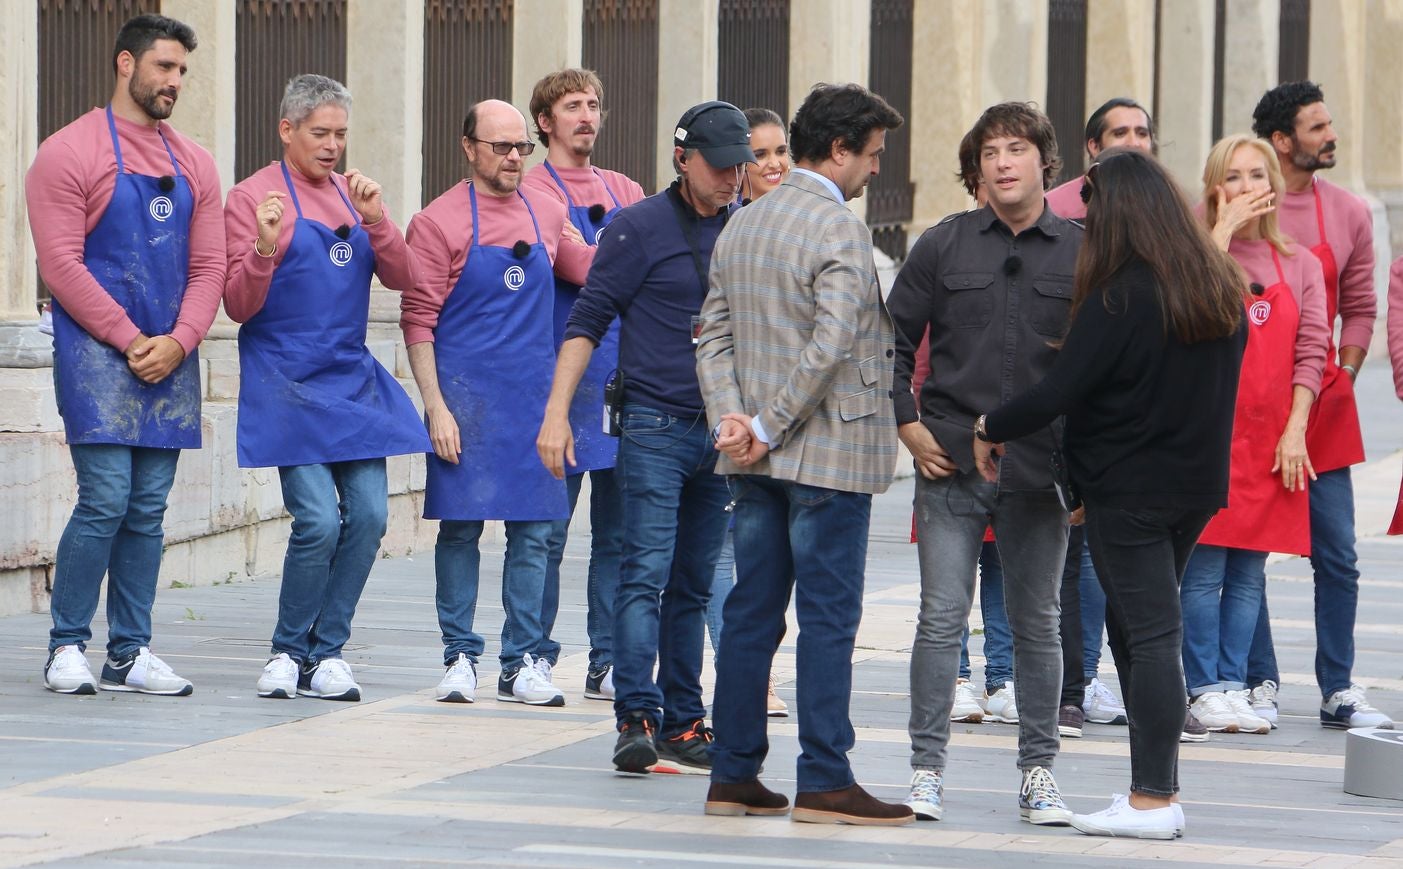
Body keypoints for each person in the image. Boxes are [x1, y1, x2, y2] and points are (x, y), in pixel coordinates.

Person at [974, 147, 1248, 839]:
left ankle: (1154, 797)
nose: (1084, 222)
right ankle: (1148, 790)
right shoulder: (1215, 282)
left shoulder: (1120, 292)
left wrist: (988, 424)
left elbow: (1060, 390)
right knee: (1136, 629)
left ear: (1116, 212)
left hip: (1129, 489)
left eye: (1091, 209)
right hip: (1192, 488)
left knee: (1151, 634)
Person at [697, 82, 910, 825]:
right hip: (825, 456)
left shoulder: (743, 222)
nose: (875, 170)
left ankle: (731, 773)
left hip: (754, 458)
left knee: (751, 611)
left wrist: (737, 419)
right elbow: (832, 343)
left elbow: (711, 335)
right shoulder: (837, 227)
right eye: (873, 155)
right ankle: (824, 776)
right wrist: (767, 421)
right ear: (841, 149)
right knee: (826, 620)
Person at [537, 101, 753, 775]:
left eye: (738, 169)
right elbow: (587, 319)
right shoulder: (636, 227)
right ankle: (636, 714)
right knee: (644, 574)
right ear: (681, 159)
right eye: (718, 168)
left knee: (693, 583)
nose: (730, 181)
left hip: (720, 432)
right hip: (653, 424)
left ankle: (684, 721)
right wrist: (555, 415)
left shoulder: (747, 229)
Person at [887, 102, 1079, 826]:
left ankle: (1037, 772)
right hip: (946, 462)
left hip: (1040, 468)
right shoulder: (942, 245)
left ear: (1043, 161)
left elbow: (1098, 368)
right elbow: (889, 342)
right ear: (976, 171)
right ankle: (925, 770)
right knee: (940, 618)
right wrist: (907, 425)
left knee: (1037, 621)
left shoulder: (1080, 249)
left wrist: (1083, 472)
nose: (1003, 162)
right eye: (990, 152)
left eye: (1016, 148)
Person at [28, 13, 224, 696]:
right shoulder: (68, 152)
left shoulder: (195, 162)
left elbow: (210, 267)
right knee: (106, 497)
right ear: (125, 64)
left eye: (181, 72)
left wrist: (180, 340)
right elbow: (59, 265)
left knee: (148, 508)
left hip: (171, 354)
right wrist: (129, 338)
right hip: (96, 351)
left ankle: (131, 651)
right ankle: (67, 644)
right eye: (164, 67)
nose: (174, 82)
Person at [224, 74, 429, 702]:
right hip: (283, 377)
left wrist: (378, 221)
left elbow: (406, 277)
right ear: (287, 130)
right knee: (317, 519)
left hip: (348, 376)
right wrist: (263, 245)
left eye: (340, 133)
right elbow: (237, 305)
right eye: (320, 133)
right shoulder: (250, 198)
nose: (333, 145)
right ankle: (288, 651)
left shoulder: (353, 196)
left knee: (367, 516)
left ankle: (329, 652)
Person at [403, 100, 591, 706]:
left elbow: (584, 272)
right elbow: (418, 320)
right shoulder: (436, 222)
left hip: (533, 399)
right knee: (460, 530)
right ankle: (459, 655)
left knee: (535, 533)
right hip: (465, 398)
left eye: (520, 148)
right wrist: (435, 406)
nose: (513, 158)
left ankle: (522, 661)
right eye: (500, 147)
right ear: (468, 148)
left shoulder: (548, 208)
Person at [1248, 82, 1393, 730]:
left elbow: (1360, 305)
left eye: (1329, 124)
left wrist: (1345, 370)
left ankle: (1337, 684)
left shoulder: (1350, 212)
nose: (1330, 135)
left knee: (1336, 551)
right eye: (1316, 127)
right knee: (1243, 547)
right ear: (1282, 141)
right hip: (1247, 406)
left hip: (1324, 402)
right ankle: (1259, 679)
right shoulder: (1231, 206)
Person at [1180, 134, 1329, 735]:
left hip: (1273, 440)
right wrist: (1219, 234)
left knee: (1248, 573)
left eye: (1256, 176)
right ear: (1215, 188)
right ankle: (1202, 687)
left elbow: (1312, 350)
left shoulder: (1302, 262)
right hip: (1210, 435)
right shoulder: (1193, 253)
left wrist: (1296, 429)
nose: (1246, 189)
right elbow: (1190, 313)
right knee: (1205, 568)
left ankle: (1235, 683)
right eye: (1233, 178)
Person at [522, 69, 645, 704]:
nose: (587, 116)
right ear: (544, 122)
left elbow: (643, 270)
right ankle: (535, 655)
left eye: (594, 104)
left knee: (621, 536)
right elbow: (588, 268)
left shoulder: (624, 188)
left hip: (627, 382)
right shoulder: (531, 190)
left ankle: (611, 658)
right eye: (572, 106)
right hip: (560, 385)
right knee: (547, 529)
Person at [705, 105, 791, 720]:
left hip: (782, 419)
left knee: (764, 561)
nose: (773, 164)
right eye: (759, 155)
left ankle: (752, 672)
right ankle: (744, 678)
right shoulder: (730, 230)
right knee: (724, 554)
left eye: (780, 150)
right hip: (730, 413)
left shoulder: (799, 227)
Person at [1044, 97, 1155, 220]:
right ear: (1094, 146)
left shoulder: (1167, 201)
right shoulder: (1054, 208)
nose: (1134, 143)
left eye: (1142, 134)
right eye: (1120, 133)